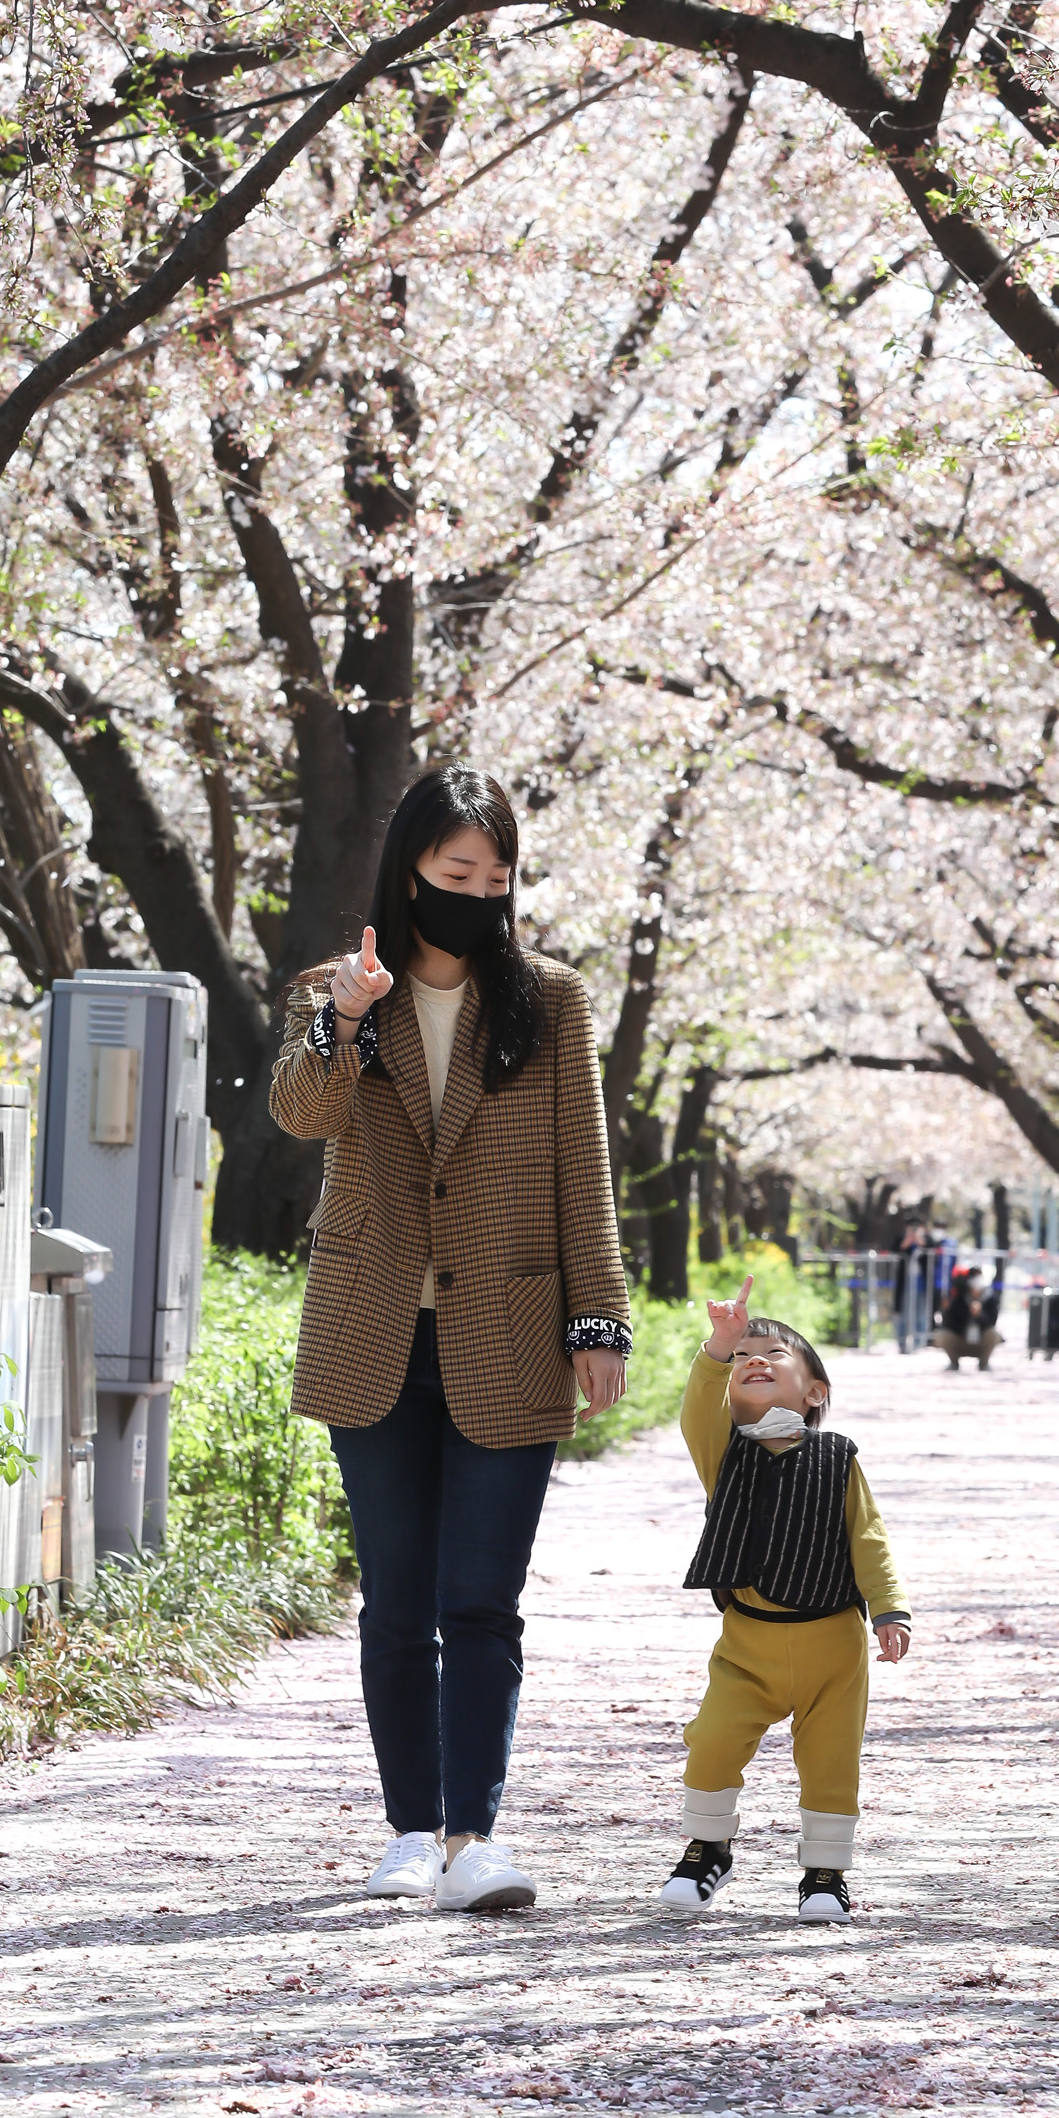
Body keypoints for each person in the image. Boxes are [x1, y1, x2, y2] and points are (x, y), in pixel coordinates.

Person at [269, 765, 630, 1914]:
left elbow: (585, 1165)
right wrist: (348, 1018)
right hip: (372, 1327)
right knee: (394, 1602)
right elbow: (298, 1114)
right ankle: (407, 1831)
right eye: (453, 873)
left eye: (495, 875)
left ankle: (475, 1835)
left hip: (510, 1328)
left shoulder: (548, 1001)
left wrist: (597, 1318)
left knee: (482, 1601)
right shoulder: (330, 995)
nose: (477, 892)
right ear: (408, 875)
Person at [657, 1278, 912, 1923]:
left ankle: (825, 1873)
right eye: (742, 1360)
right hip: (748, 1644)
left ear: (815, 1391)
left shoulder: (838, 1458)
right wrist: (716, 1346)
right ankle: (707, 1848)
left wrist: (889, 1610)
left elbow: (868, 1538)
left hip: (834, 1643)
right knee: (712, 1741)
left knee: (831, 1760)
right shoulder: (723, 1453)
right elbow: (696, 1411)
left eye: (772, 1354)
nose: (755, 1361)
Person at [932, 1263, 1000, 1370]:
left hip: (980, 1341)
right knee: (942, 1334)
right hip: (961, 1340)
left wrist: (979, 1314)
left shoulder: (990, 1299)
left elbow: (991, 1323)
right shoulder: (960, 1298)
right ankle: (953, 1363)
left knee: (994, 1334)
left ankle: (984, 1363)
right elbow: (949, 1324)